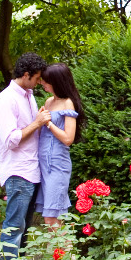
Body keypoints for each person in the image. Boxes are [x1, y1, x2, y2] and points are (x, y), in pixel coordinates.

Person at [0, 52, 50, 260]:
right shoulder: (6, 100)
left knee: (24, 230)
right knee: (14, 227)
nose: (39, 82)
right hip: (18, 171)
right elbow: (10, 139)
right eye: (37, 78)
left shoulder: (29, 95)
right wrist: (36, 123)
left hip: (32, 170)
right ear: (26, 75)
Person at [34, 63, 88, 226]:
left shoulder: (67, 103)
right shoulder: (49, 101)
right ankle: (58, 251)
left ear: (57, 82)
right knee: (48, 217)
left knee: (53, 216)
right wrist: (39, 120)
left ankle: (64, 252)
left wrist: (48, 123)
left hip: (57, 164)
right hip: (43, 163)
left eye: (46, 81)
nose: (42, 83)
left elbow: (68, 139)